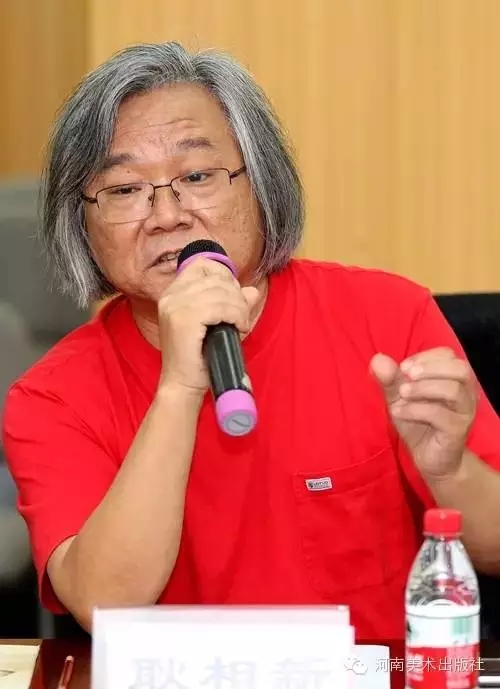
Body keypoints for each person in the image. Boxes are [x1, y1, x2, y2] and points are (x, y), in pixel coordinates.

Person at [3, 41, 500, 640]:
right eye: (125, 189)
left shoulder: (388, 318)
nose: (167, 215)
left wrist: (451, 471)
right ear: (80, 222)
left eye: (196, 176)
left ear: (261, 183)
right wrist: (179, 387)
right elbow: (106, 604)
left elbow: (496, 548)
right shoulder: (51, 397)